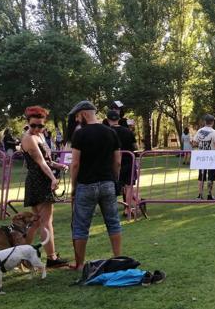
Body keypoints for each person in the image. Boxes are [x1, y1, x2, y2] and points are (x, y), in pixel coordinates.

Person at [68, 100, 122, 271]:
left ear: (83, 114)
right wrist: (114, 178)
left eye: (77, 117)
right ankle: (118, 258)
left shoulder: (80, 135)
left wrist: (73, 186)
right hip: (107, 182)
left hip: (86, 184)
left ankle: (80, 264)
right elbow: (118, 161)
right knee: (113, 222)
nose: (77, 120)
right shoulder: (111, 132)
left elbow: (75, 163)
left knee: (81, 226)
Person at [21, 106, 69, 268]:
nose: (36, 128)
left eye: (40, 125)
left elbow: (46, 160)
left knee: (37, 223)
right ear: (28, 123)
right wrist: (52, 179)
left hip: (40, 179)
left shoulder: (40, 136)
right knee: (46, 222)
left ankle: (23, 257)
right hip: (38, 181)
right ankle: (51, 258)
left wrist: (59, 166)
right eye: (33, 125)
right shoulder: (29, 138)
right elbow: (40, 163)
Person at [106, 110, 138, 217]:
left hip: (111, 163)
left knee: (111, 186)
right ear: (119, 119)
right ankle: (127, 209)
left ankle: (111, 210)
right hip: (129, 161)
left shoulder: (106, 132)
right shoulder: (128, 131)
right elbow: (135, 146)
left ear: (107, 119)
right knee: (129, 186)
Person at [193, 114, 215, 200]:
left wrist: (201, 145)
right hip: (211, 156)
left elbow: (194, 143)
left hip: (201, 156)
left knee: (201, 176)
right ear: (212, 122)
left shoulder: (199, 131)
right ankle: (209, 195)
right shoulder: (214, 132)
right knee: (211, 176)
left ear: (205, 122)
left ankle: (200, 195)